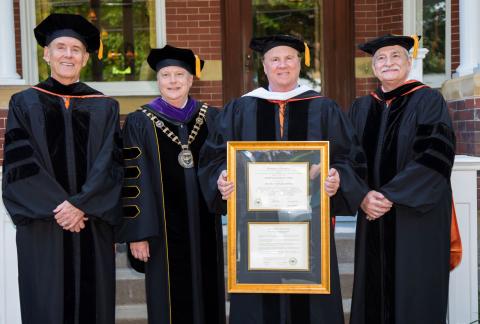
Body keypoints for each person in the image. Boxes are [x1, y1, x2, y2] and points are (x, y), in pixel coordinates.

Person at [198, 34, 366, 324]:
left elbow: (348, 158)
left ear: (300, 64)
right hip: (254, 228)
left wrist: (338, 178)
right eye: (274, 59)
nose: (282, 65)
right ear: (264, 67)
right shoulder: (240, 109)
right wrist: (220, 179)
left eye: (289, 58)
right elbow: (213, 159)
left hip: (310, 224)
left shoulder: (324, 108)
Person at [2, 13, 123, 324]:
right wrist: (64, 208)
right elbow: (20, 164)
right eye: (60, 47)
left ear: (84, 57)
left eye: (76, 49)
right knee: (47, 305)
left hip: (90, 224)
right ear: (46, 53)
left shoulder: (105, 106)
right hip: (46, 226)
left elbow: (110, 163)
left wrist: (81, 204)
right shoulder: (24, 102)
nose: (68, 54)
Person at [348, 34, 457, 324]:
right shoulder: (361, 107)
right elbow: (347, 158)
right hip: (371, 214)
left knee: (414, 289)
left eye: (396, 56)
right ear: (373, 68)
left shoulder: (429, 100)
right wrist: (362, 195)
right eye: (380, 58)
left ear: (409, 63)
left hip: (413, 216)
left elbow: (435, 155)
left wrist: (387, 196)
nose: (388, 62)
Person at [115, 45, 226, 324]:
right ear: (158, 80)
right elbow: (132, 178)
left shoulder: (211, 117)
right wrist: (138, 233)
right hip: (160, 231)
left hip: (205, 226)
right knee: (167, 300)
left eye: (180, 75)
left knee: (209, 290)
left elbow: (224, 165)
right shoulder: (140, 121)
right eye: (166, 75)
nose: (173, 81)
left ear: (191, 80)